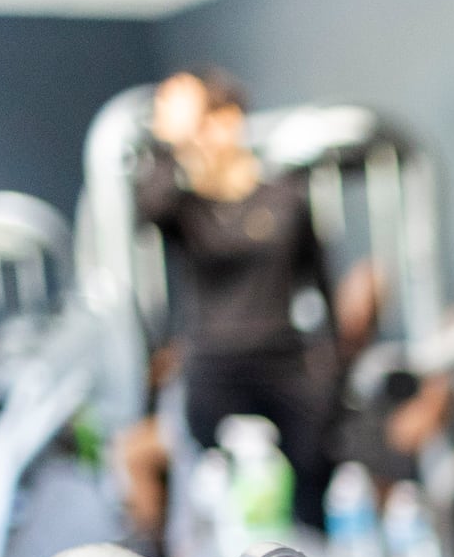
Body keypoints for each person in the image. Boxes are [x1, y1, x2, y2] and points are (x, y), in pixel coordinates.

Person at [136, 68, 334, 528]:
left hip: (285, 370)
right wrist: (173, 140)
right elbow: (147, 207)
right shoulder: (186, 209)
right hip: (213, 372)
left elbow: (323, 285)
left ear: (229, 121)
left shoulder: (285, 199)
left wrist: (331, 372)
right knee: (223, 511)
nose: (199, 137)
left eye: (205, 122)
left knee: (306, 503)